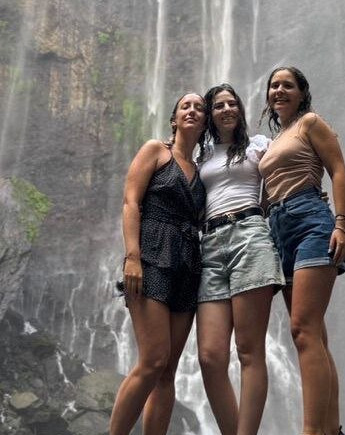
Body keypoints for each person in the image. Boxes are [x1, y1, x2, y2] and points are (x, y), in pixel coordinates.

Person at [258, 66, 345, 435]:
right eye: (274, 85)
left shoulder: (310, 123)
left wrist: (341, 223)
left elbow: (338, 170)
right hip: (279, 230)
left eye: (287, 85)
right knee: (315, 335)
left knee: (302, 330)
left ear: (301, 92)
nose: (279, 90)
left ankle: (312, 431)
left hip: (310, 220)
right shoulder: (273, 140)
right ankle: (331, 429)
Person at [109, 92, 208, 435]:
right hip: (151, 256)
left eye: (199, 107)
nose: (193, 110)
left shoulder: (201, 170)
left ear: (204, 121)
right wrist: (132, 256)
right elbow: (130, 202)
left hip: (188, 265)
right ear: (174, 118)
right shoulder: (155, 150)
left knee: (168, 370)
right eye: (186, 106)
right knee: (152, 361)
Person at [196, 83, 285, 435]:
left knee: (249, 351)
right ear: (209, 113)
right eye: (219, 105)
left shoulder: (258, 145)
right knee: (210, 357)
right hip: (210, 244)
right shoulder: (201, 155)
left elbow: (288, 169)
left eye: (232, 103)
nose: (227, 109)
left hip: (250, 234)